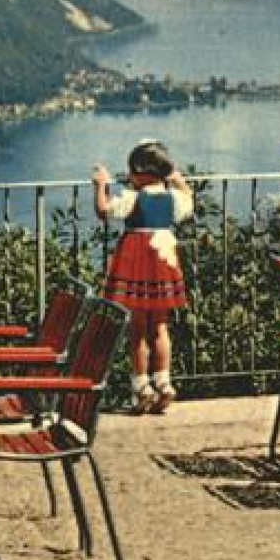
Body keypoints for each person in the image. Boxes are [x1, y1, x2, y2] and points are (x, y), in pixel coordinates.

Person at [92, 140, 194, 414]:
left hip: (136, 260)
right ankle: (164, 382)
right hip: (163, 257)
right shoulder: (173, 198)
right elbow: (189, 204)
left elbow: (104, 211)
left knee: (137, 329)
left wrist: (101, 184)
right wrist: (178, 181)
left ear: (141, 172)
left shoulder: (132, 198)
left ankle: (141, 387)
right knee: (160, 326)